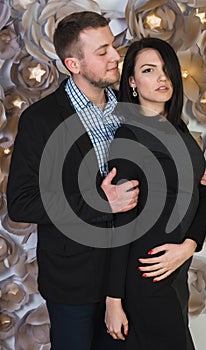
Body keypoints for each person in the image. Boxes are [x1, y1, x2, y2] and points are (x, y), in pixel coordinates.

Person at [6, 11, 140, 350]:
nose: (115, 57)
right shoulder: (41, 120)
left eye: (113, 46)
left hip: (132, 276)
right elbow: (22, 202)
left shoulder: (133, 106)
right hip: (74, 282)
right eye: (102, 52)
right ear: (73, 64)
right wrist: (97, 201)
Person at [104, 38, 206, 350]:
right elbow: (120, 224)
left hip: (176, 271)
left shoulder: (179, 130)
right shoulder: (128, 137)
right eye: (149, 70)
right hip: (146, 275)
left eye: (166, 70)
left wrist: (189, 247)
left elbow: (204, 196)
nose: (162, 78)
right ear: (132, 82)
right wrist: (113, 301)